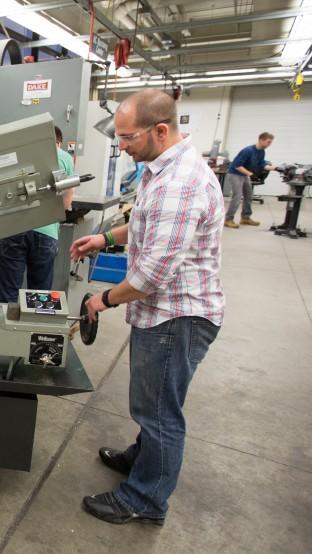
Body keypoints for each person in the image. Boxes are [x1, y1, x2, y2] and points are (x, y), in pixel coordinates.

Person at [69, 88, 224, 526]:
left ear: (160, 130)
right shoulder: (161, 170)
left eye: (128, 138)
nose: (121, 146)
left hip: (177, 316)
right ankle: (143, 458)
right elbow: (144, 223)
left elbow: (153, 274)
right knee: (153, 402)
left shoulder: (182, 182)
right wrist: (104, 238)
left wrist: (102, 299)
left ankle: (145, 498)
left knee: (158, 413)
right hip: (165, 313)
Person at [0, 125, 74, 303]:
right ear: (58, 143)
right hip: (46, 233)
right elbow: (66, 203)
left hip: (12, 229)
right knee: (40, 297)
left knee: (9, 296)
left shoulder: (17, 153)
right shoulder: (65, 157)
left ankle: (9, 328)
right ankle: (35, 328)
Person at [224, 132, 274, 228]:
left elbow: (261, 163)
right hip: (235, 174)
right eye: (268, 142)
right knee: (237, 197)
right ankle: (228, 219)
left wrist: (274, 168)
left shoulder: (261, 151)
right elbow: (237, 166)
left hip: (244, 174)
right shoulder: (248, 150)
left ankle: (245, 218)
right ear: (261, 140)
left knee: (248, 195)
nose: (269, 145)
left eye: (270, 143)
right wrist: (250, 174)